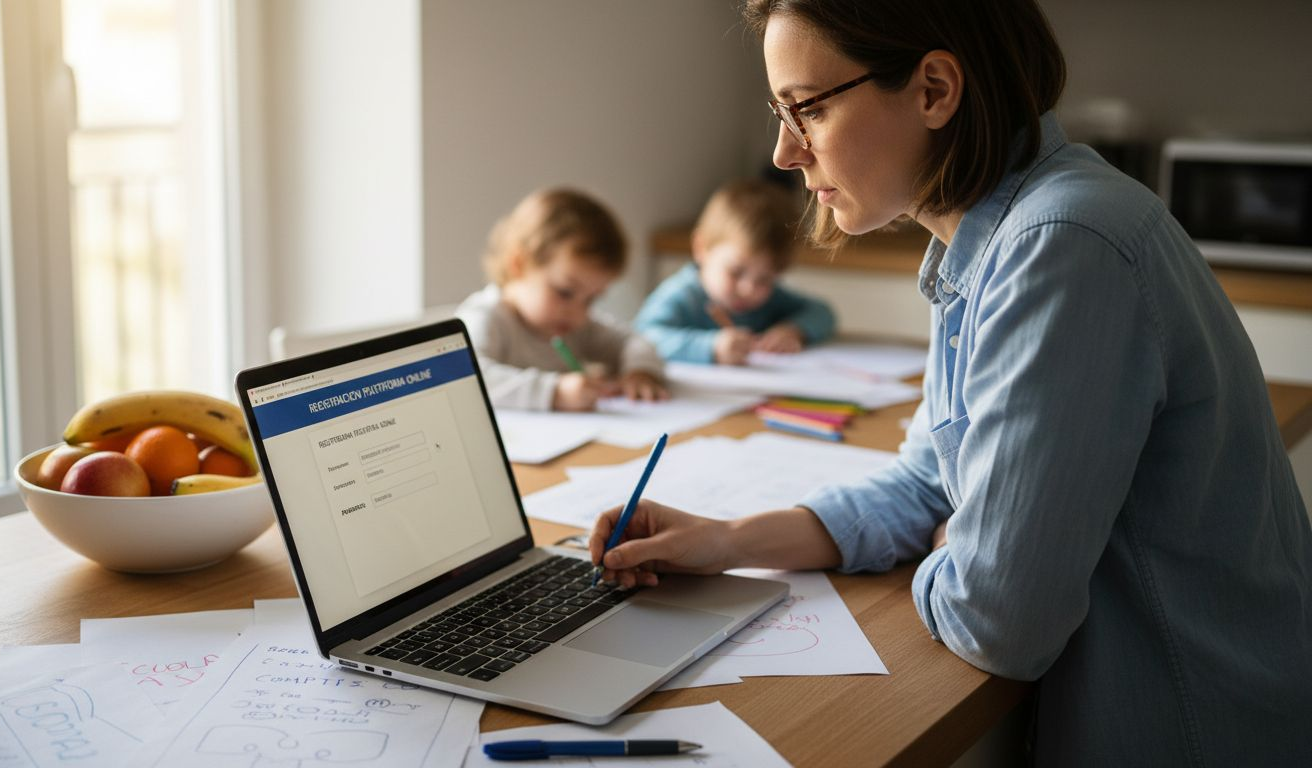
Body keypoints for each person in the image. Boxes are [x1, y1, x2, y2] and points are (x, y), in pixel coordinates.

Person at [589, 0, 1312, 764]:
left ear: (934, 89)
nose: (783, 153)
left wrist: (959, 547)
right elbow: (926, 486)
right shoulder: (990, 239)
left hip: (1192, 730)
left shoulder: (1058, 246)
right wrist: (725, 541)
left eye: (806, 110)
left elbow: (999, 620)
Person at [457, 188, 667, 411]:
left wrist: (640, 372)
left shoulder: (576, 326)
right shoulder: (486, 317)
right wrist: (553, 392)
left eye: (591, 300)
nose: (579, 313)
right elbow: (463, 378)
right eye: (565, 292)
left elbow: (635, 341)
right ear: (518, 264)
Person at [634, 179, 836, 364]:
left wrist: (794, 330)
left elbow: (822, 312)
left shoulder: (771, 299)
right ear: (701, 248)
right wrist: (711, 346)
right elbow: (643, 337)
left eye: (765, 279)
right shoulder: (683, 296)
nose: (749, 289)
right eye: (736, 272)